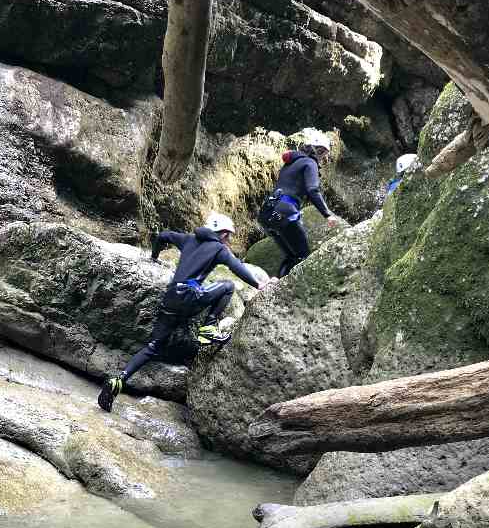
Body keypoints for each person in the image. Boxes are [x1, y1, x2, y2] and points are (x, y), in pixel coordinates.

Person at [97, 212, 266, 412]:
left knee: (153, 346)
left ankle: (119, 379)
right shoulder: (219, 249)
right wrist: (259, 284)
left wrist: (154, 256)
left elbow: (163, 236)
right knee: (228, 286)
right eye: (228, 235)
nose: (229, 240)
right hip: (190, 297)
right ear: (221, 234)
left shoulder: (188, 239)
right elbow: (237, 267)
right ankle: (209, 327)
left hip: (171, 299)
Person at [257, 128, 344, 277]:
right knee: (303, 256)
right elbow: (313, 190)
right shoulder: (310, 163)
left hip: (267, 214)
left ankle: (275, 288)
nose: (323, 158)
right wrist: (327, 214)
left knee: (292, 256)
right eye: (322, 152)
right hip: (284, 212)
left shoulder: (291, 163)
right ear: (315, 149)